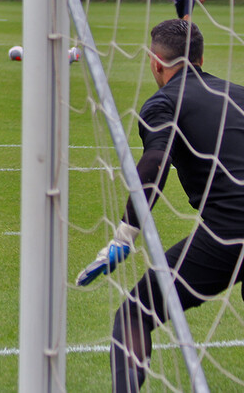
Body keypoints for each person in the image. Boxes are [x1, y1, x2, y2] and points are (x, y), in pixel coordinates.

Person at [76, 20, 244, 391]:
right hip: (231, 227)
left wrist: (124, 236)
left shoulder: (163, 101)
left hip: (229, 231)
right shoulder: (239, 93)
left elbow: (155, 162)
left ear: (155, 62)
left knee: (134, 313)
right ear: (200, 59)